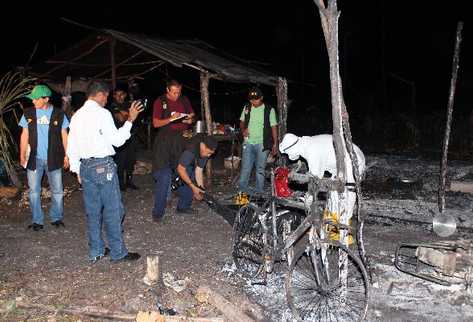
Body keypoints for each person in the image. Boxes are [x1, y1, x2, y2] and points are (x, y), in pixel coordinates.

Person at [66, 81, 143, 263]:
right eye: (106, 96)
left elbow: (72, 145)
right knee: (113, 210)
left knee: (93, 212)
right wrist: (130, 120)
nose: (106, 100)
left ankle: (96, 250)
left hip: (85, 168)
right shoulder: (102, 114)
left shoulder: (77, 116)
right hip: (103, 166)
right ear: (100, 94)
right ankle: (118, 253)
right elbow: (117, 140)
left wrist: (77, 170)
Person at [279, 133, 366, 242]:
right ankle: (332, 230)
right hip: (341, 163)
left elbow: (315, 179)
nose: (287, 156)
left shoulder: (311, 149)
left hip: (352, 161)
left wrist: (308, 198)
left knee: (345, 197)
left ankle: (343, 234)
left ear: (292, 148)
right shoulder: (308, 144)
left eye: (287, 153)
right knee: (333, 197)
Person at [19, 84, 69, 231]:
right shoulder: (28, 113)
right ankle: (37, 220)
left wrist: (67, 155)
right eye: (32, 99)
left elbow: (64, 135)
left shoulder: (59, 114)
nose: (33, 101)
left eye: (36, 99)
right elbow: (24, 135)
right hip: (34, 159)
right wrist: (22, 155)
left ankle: (56, 217)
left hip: (54, 157)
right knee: (34, 191)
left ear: (46, 99)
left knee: (58, 190)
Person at [152, 133, 218, 222]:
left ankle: (183, 207)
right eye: (209, 153)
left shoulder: (205, 150)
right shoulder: (191, 149)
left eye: (211, 154)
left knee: (189, 172)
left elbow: (198, 171)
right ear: (203, 145)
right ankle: (157, 214)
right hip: (163, 150)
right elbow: (181, 169)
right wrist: (193, 187)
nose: (209, 156)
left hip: (177, 155)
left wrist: (200, 190)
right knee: (165, 176)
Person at [235, 87, 278, 203]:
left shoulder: (269, 110)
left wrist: (275, 144)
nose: (253, 102)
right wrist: (243, 129)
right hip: (248, 142)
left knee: (260, 170)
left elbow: (274, 127)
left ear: (261, 98)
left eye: (256, 99)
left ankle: (259, 198)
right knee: (245, 169)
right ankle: (241, 198)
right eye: (251, 99)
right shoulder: (247, 107)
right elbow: (242, 121)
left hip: (262, 144)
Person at [108, 84, 139, 191]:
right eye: (117, 95)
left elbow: (136, 114)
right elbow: (121, 118)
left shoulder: (128, 104)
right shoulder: (112, 106)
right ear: (114, 96)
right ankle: (120, 184)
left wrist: (128, 114)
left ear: (125, 95)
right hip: (119, 139)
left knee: (131, 161)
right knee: (120, 161)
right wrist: (130, 115)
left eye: (121, 95)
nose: (119, 97)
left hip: (131, 137)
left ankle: (129, 181)